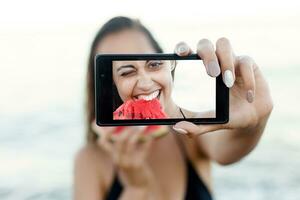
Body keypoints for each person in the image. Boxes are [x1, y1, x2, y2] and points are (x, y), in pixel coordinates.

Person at [74, 16, 273, 200]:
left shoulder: (190, 132)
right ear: (109, 85)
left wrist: (254, 121)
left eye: (153, 64)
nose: (145, 82)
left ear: (169, 66)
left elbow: (229, 150)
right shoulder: (89, 160)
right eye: (126, 72)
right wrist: (136, 189)